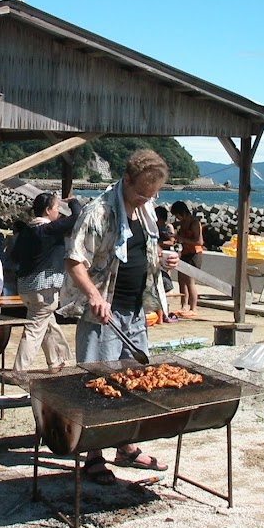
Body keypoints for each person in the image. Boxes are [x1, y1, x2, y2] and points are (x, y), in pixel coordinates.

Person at [59, 149, 178, 485]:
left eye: (152, 194)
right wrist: (94, 296)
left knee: (131, 382)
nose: (145, 199)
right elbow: (74, 261)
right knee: (98, 384)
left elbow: (140, 252)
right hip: (103, 314)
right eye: (141, 193)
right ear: (126, 180)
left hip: (135, 309)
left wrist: (162, 261)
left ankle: (125, 446)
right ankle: (92, 457)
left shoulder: (146, 210)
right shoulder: (98, 213)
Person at [11, 193, 82, 372]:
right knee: (34, 329)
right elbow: (77, 217)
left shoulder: (26, 231)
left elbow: (14, 256)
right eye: (57, 208)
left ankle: (56, 361)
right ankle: (19, 370)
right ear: (48, 210)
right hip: (44, 288)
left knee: (47, 323)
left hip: (26, 287)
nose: (58, 212)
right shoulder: (49, 229)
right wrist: (73, 201)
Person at [171, 200, 203, 317]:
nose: (177, 218)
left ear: (182, 212)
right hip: (184, 252)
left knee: (190, 282)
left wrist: (183, 239)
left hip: (194, 254)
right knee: (181, 280)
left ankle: (193, 308)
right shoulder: (183, 222)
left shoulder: (194, 223)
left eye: (177, 216)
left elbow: (199, 241)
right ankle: (183, 306)